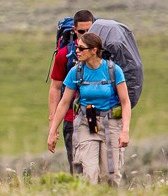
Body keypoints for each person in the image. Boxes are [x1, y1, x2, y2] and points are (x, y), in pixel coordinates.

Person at [47, 32, 131, 187]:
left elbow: (125, 102)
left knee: (110, 175)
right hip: (87, 123)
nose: (76, 51)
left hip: (111, 124)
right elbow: (64, 102)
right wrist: (53, 131)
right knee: (89, 174)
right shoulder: (76, 72)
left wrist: (125, 130)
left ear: (94, 50)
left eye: (81, 48)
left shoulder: (113, 70)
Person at [48, 10, 95, 173]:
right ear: (74, 31)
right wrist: (52, 125)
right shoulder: (64, 55)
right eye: (82, 31)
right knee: (76, 167)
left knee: (95, 164)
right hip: (71, 118)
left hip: (95, 116)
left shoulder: (102, 54)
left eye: (90, 30)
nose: (86, 35)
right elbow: (55, 87)